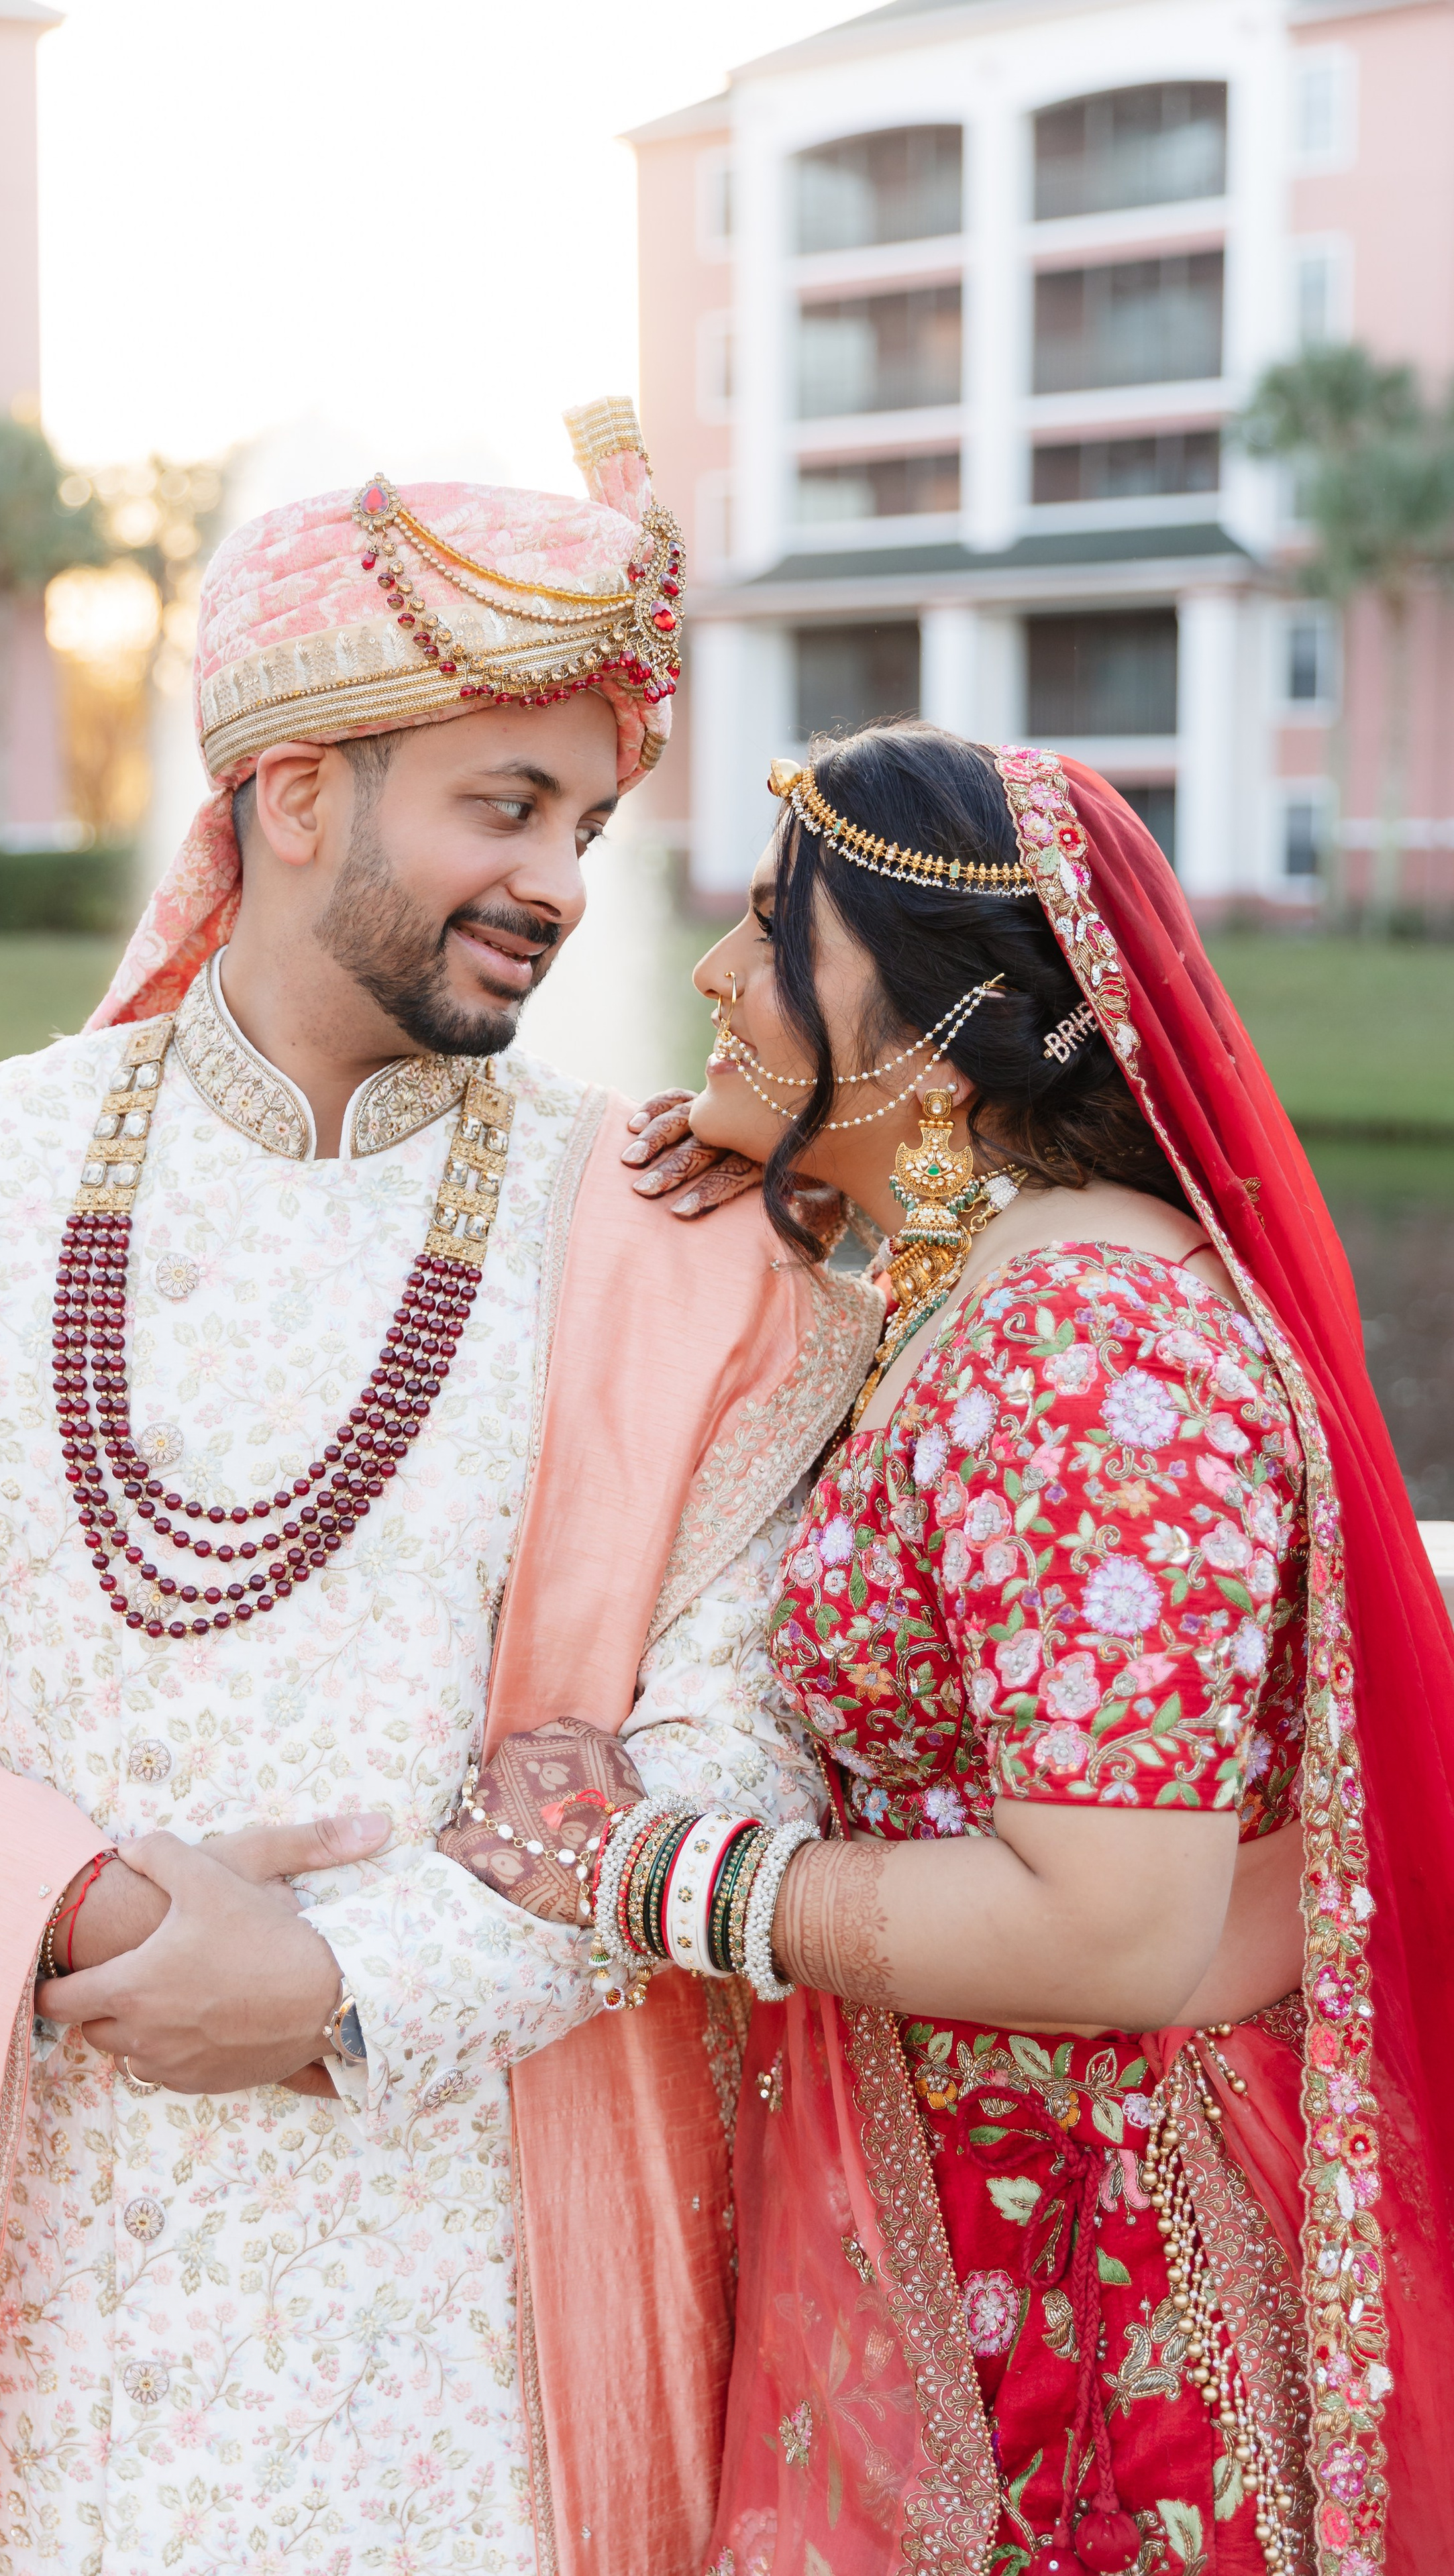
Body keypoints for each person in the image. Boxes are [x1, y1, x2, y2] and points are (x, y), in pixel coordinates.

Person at [0, 404, 878, 2576]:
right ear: (289, 792)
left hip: (462, 2308)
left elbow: (733, 1752)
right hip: (31, 2266)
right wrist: (72, 1902)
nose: (561, 880)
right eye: (506, 806)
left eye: (590, 820)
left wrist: (349, 1991)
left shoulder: (657, 1230)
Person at [455, 721, 1454, 2573]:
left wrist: (650, 1873)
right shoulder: (1005, 1290)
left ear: (938, 1015)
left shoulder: (1087, 1351)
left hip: (1100, 2293)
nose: (709, 970)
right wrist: (797, 1195)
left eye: (771, 933)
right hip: (990, 2221)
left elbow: (1113, 1923)